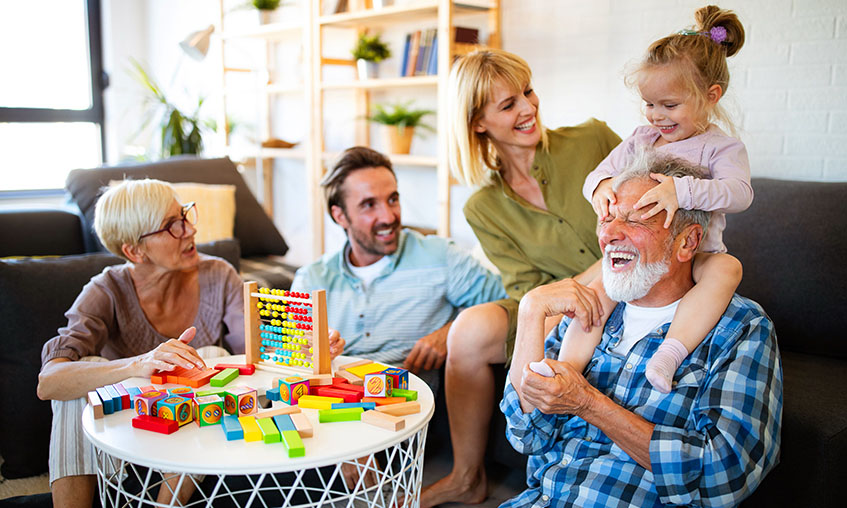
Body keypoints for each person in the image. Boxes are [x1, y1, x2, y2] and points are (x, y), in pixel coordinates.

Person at [36, 179, 345, 508]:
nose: (189, 230)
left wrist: (307, 350)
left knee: (211, 355)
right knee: (75, 386)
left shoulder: (218, 274)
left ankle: (165, 506)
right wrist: (139, 365)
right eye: (172, 226)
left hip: (191, 439)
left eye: (185, 216)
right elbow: (49, 382)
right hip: (128, 436)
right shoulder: (106, 289)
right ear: (134, 251)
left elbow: (257, 354)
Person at [505, 151, 781, 507]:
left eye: (636, 220)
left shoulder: (740, 329)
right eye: (608, 217)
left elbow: (725, 475)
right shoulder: (591, 311)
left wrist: (589, 404)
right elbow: (526, 435)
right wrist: (531, 314)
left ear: (688, 242)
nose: (610, 234)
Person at [420, 48, 621, 507]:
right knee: (468, 331)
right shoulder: (483, 208)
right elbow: (528, 292)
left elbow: (646, 213)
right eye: (508, 105)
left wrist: (598, 275)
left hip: (626, 282)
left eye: (527, 91)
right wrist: (561, 299)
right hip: (549, 299)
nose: (529, 108)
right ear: (477, 123)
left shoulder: (593, 140)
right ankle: (467, 477)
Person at [562, 4, 753, 394]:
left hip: (698, 255)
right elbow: (598, 175)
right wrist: (600, 189)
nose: (656, 116)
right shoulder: (641, 139)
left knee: (728, 269)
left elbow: (739, 194)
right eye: (649, 104)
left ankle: (669, 353)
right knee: (600, 289)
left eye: (669, 105)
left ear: (711, 96)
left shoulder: (721, 148)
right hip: (642, 255)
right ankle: (564, 366)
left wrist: (679, 190)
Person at [290, 146, 506, 386]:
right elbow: (289, 359)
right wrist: (308, 352)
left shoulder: (441, 257)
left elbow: (509, 304)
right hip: (324, 409)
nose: (388, 216)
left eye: (393, 199)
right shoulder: (310, 280)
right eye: (369, 205)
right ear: (339, 216)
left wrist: (452, 333)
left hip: (407, 411)